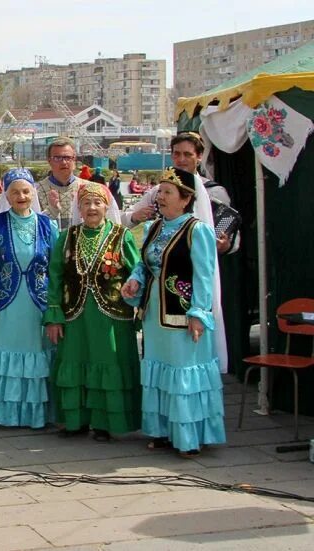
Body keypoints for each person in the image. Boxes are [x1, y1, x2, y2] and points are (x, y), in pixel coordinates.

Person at [121, 167, 226, 457]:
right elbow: (144, 264)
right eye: (160, 192)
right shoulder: (155, 227)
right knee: (160, 370)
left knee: (183, 373)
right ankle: (163, 431)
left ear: (185, 198)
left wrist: (198, 313)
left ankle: (189, 437)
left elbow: (204, 276)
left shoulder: (197, 230)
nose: (161, 197)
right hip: (155, 314)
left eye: (168, 192)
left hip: (183, 316)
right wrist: (134, 281)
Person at [44, 182, 141, 442]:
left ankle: (105, 423)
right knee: (75, 361)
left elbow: (137, 272)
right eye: (86, 203)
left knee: (107, 363)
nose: (92, 208)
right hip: (74, 315)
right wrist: (53, 316)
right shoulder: (66, 237)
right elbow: (55, 277)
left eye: (97, 203)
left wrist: (140, 304)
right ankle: (75, 421)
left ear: (107, 206)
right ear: (79, 207)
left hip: (110, 317)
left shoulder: (121, 236)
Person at [0, 168, 58, 429]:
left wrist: (54, 305)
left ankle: (35, 414)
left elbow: (55, 268)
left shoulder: (48, 225)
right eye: (15, 192)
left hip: (37, 301)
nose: (21, 196)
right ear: (6, 194)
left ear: (33, 193)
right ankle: (4, 412)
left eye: (26, 191)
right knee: (5, 351)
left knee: (36, 352)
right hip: (6, 301)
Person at [123, 132, 237, 255]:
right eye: (177, 154)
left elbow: (232, 239)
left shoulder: (214, 192)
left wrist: (225, 245)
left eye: (187, 154)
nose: (181, 160)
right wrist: (135, 216)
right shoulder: (158, 191)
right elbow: (122, 219)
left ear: (199, 156)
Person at [36, 137, 87, 230]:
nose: (63, 162)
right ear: (49, 160)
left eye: (67, 157)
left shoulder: (87, 188)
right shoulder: (36, 191)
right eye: (57, 158)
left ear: (74, 159)